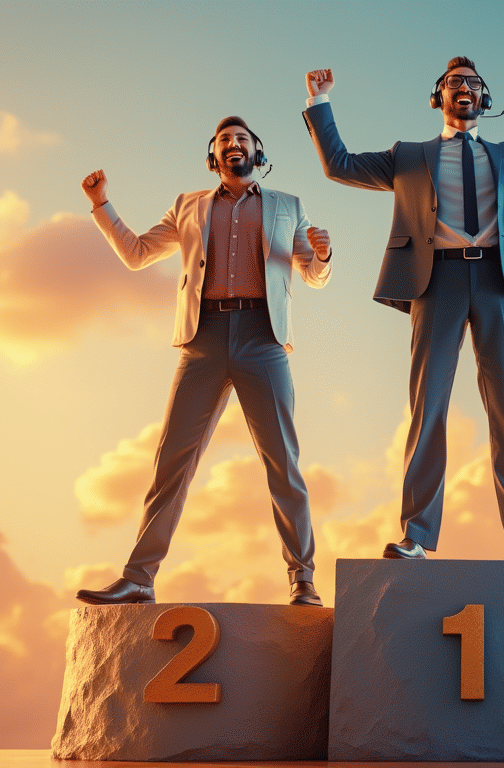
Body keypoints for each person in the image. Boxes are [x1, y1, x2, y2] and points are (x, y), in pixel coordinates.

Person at [301, 58, 504, 561]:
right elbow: (339, 165)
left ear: (485, 100)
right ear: (439, 98)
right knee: (427, 407)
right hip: (437, 281)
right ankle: (416, 535)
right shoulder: (409, 156)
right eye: (454, 83)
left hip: (499, 280)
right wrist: (320, 102)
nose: (465, 89)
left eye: (473, 84)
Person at [75, 116, 333, 607]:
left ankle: (303, 579)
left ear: (258, 152)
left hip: (263, 339)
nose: (232, 144)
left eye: (242, 139)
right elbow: (136, 254)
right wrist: (101, 205)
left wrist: (321, 255)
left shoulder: (287, 207)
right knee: (171, 461)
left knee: (284, 464)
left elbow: (313, 274)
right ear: (213, 157)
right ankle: (138, 578)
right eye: (223, 141)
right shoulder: (188, 207)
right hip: (203, 340)